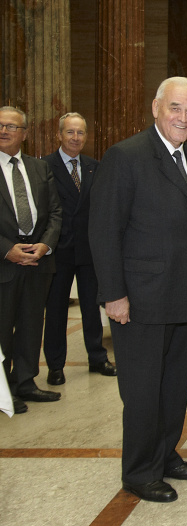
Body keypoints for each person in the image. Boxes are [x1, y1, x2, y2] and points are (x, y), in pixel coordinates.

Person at [89, 77, 187, 503]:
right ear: (156, 108)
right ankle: (140, 471)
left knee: (174, 386)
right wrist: (113, 294)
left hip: (184, 295)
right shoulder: (126, 156)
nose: (183, 117)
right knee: (142, 391)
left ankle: (164, 455)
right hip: (141, 300)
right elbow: (104, 230)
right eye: (176, 108)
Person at [43, 112, 116, 386]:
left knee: (91, 308)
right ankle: (55, 365)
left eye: (81, 132)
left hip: (88, 252)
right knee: (56, 311)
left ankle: (97, 358)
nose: (76, 137)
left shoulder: (94, 167)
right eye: (70, 132)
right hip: (58, 252)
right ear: (59, 135)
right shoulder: (45, 166)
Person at [0, 106, 62, 414]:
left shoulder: (39, 168)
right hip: (4, 263)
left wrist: (45, 245)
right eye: (0, 125)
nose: (4, 131)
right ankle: (2, 390)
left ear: (24, 133)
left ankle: (24, 382)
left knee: (30, 325)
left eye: (11, 126)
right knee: (2, 329)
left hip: (38, 262)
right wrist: (6, 249)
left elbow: (55, 212)